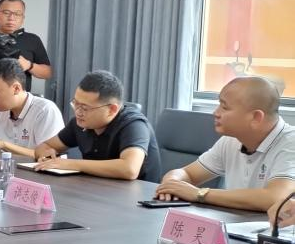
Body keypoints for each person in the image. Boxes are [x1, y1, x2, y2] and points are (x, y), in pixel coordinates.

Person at [154, 76, 294, 211]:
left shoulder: (290, 143)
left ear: (256, 117)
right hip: (237, 223)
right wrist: (171, 184)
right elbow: (187, 173)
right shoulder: (232, 140)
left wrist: (200, 194)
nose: (216, 113)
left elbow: (276, 197)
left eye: (224, 107)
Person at [33, 70, 162, 182]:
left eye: (85, 108)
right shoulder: (80, 122)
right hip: (97, 189)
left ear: (112, 109)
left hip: (137, 196)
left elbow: (129, 169)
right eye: (75, 104)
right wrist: (47, 156)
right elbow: (45, 146)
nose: (78, 112)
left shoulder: (134, 124)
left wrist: (71, 164)